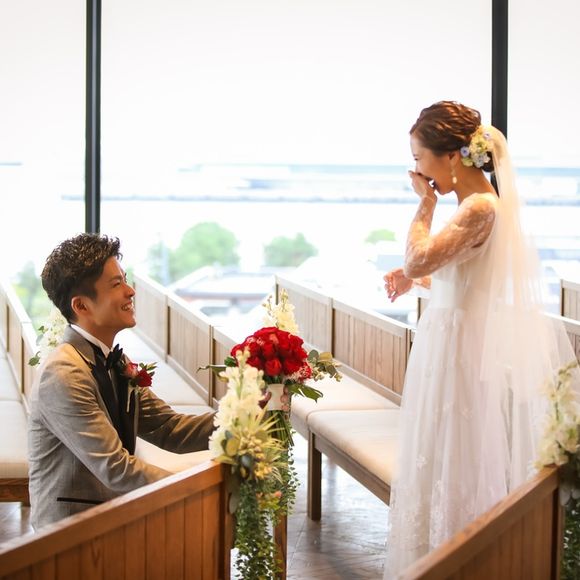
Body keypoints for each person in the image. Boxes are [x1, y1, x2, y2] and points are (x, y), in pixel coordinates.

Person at [382, 101, 579, 576]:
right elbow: (457, 278)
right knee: (441, 450)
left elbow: (417, 257)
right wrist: (417, 280)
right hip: (447, 337)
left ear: (452, 156)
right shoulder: (474, 205)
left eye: (419, 157)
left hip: (459, 346)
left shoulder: (481, 206)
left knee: (459, 452)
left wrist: (424, 205)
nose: (417, 171)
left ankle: (459, 556)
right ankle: (436, 555)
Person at [28, 233, 216, 529]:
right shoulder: (64, 373)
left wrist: (244, 418)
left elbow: (169, 429)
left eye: (125, 280)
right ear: (82, 306)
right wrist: (196, 490)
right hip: (70, 534)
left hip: (113, 519)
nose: (130, 291)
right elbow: (116, 468)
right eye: (116, 284)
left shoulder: (114, 361)